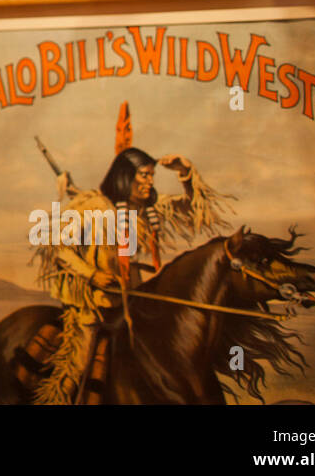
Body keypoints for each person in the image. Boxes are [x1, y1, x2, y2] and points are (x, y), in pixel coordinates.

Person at [30, 147, 232, 404]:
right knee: (77, 368)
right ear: (126, 177)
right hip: (93, 305)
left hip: (132, 299)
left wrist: (185, 172)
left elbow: (190, 206)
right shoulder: (93, 206)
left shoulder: (144, 209)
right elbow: (60, 248)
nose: (150, 182)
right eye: (145, 175)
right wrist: (92, 275)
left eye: (151, 176)